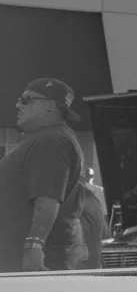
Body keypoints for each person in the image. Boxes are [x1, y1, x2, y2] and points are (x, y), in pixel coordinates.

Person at [1, 78, 89, 272]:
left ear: (50, 107)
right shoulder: (51, 138)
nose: (18, 105)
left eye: (26, 100)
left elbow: (48, 198)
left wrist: (34, 245)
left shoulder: (51, 141)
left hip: (27, 263)